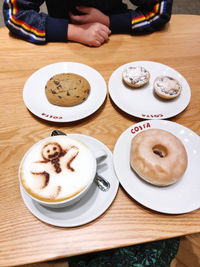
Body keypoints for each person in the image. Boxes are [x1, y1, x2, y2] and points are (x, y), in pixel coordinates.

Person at [3, 0, 173, 47]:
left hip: (119, 41)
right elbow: (15, 14)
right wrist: (75, 32)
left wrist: (109, 21)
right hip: (60, 43)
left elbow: (159, 10)